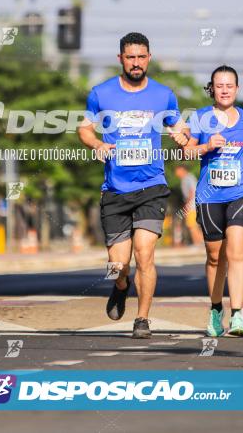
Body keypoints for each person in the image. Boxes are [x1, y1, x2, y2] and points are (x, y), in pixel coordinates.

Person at [77, 32, 189, 338]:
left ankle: (142, 319)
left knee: (144, 253)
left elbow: (180, 126)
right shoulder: (101, 94)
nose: (136, 63)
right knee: (117, 264)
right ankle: (120, 285)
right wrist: (96, 144)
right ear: (120, 59)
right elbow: (84, 129)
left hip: (152, 186)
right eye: (130, 57)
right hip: (114, 190)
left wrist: (183, 135)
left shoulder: (164, 95)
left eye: (141, 57)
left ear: (149, 58)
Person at [182, 65, 243, 337]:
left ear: (237, 89)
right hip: (209, 195)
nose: (225, 90)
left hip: (242, 191)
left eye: (230, 85)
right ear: (212, 88)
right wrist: (207, 146)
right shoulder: (201, 117)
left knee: (236, 252)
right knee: (215, 257)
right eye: (220, 85)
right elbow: (186, 152)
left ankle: (239, 315)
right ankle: (216, 310)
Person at [174, 166, 203, 244]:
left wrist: (188, 203)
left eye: (177, 171)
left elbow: (193, 191)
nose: (176, 173)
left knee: (192, 226)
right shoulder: (185, 179)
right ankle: (200, 243)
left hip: (192, 205)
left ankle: (198, 244)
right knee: (193, 226)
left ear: (182, 169)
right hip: (191, 204)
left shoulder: (188, 178)